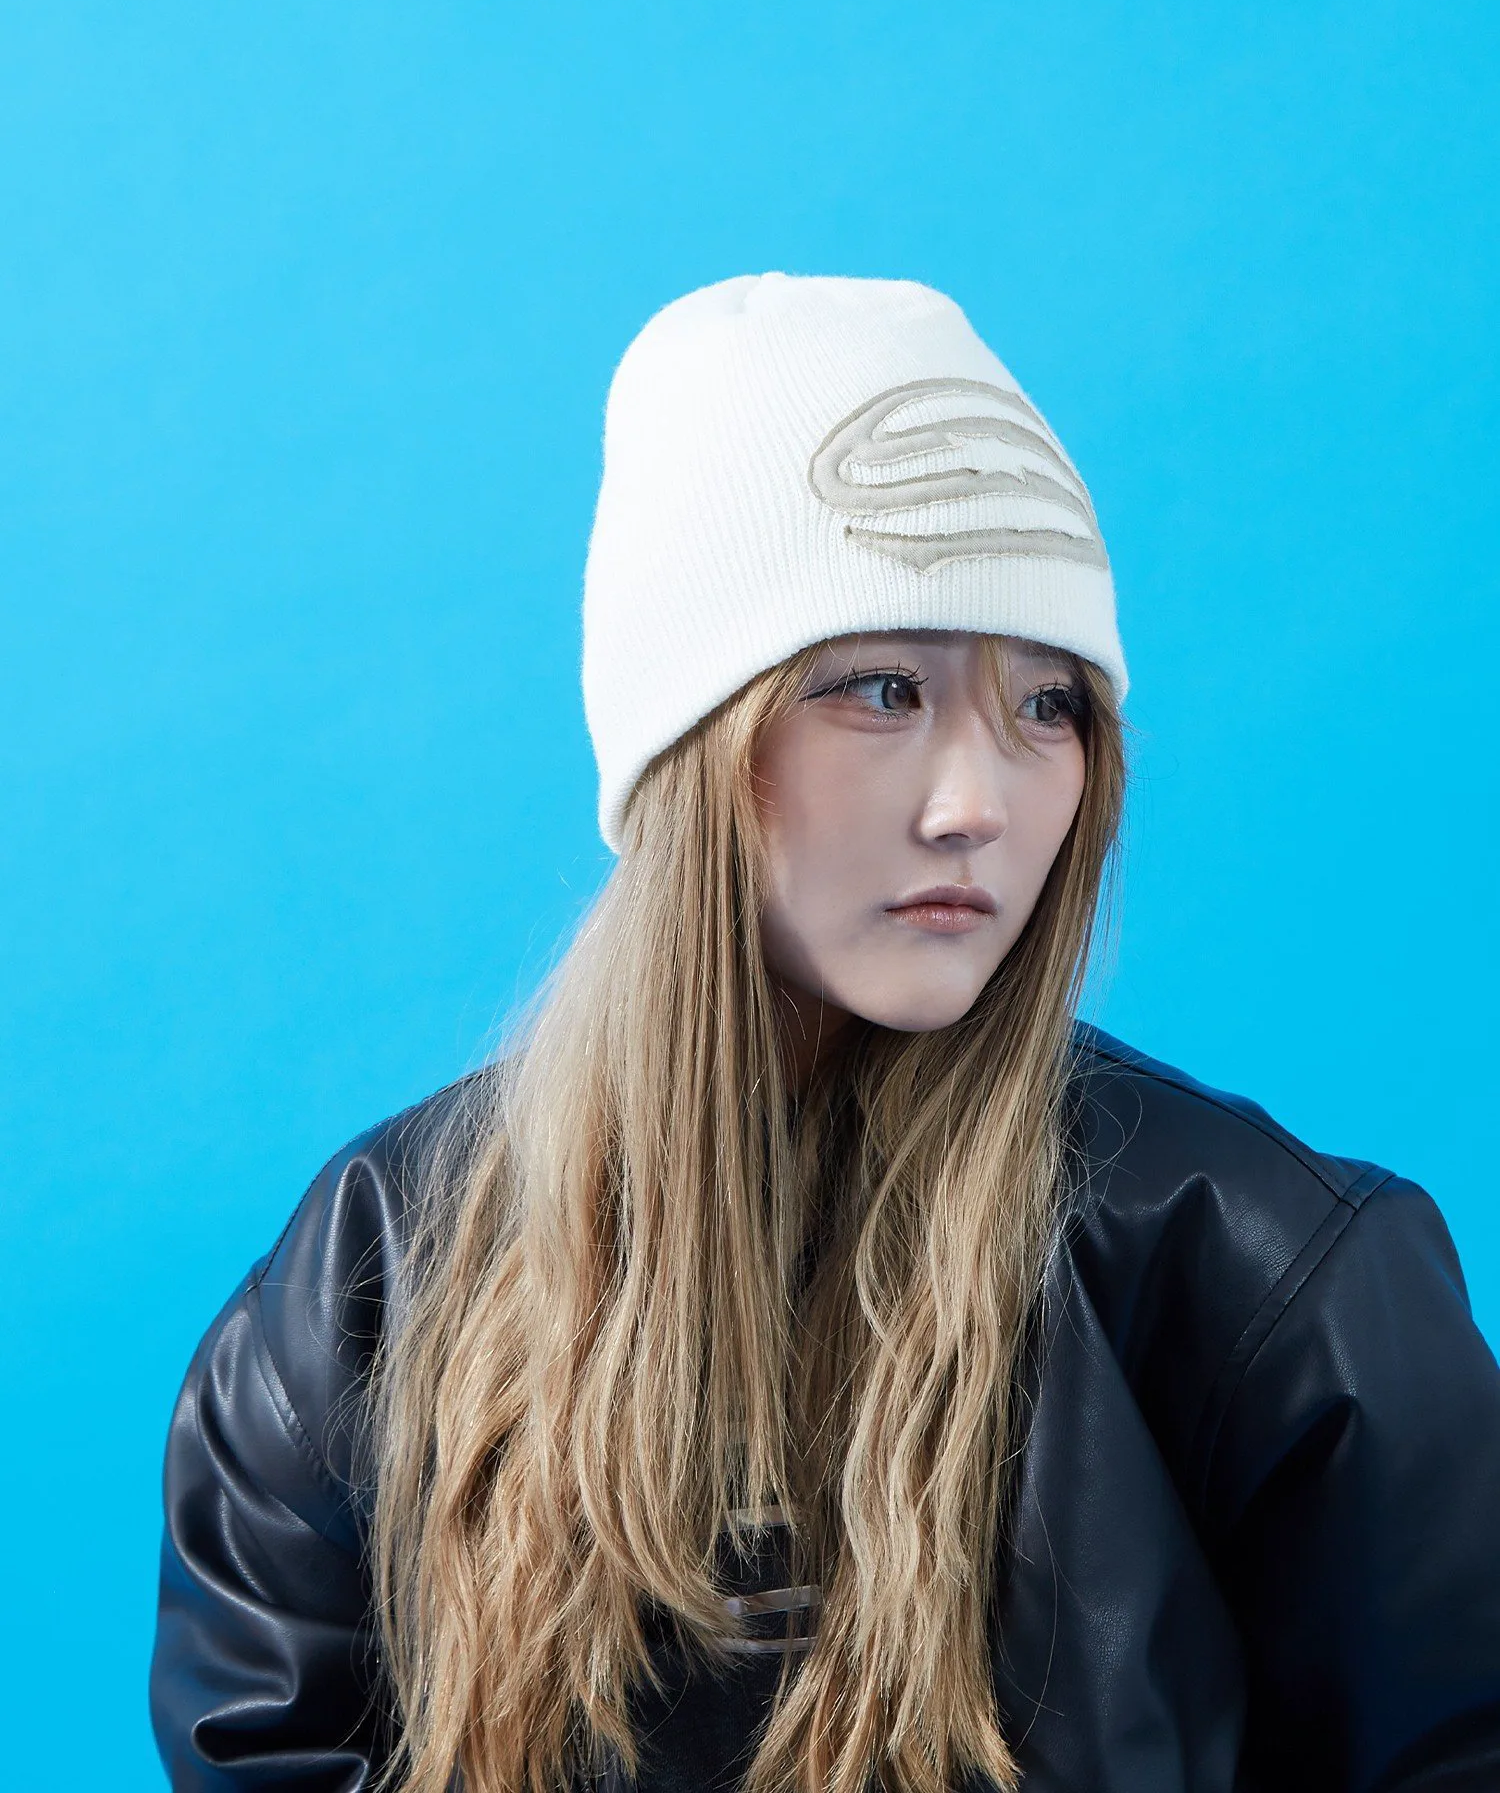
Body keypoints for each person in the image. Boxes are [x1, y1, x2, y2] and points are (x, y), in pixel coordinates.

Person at [150, 273, 1500, 1793]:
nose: (978, 803)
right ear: (691, 747)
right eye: (880, 688)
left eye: (1048, 706)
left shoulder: (1271, 1282)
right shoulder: (369, 1282)